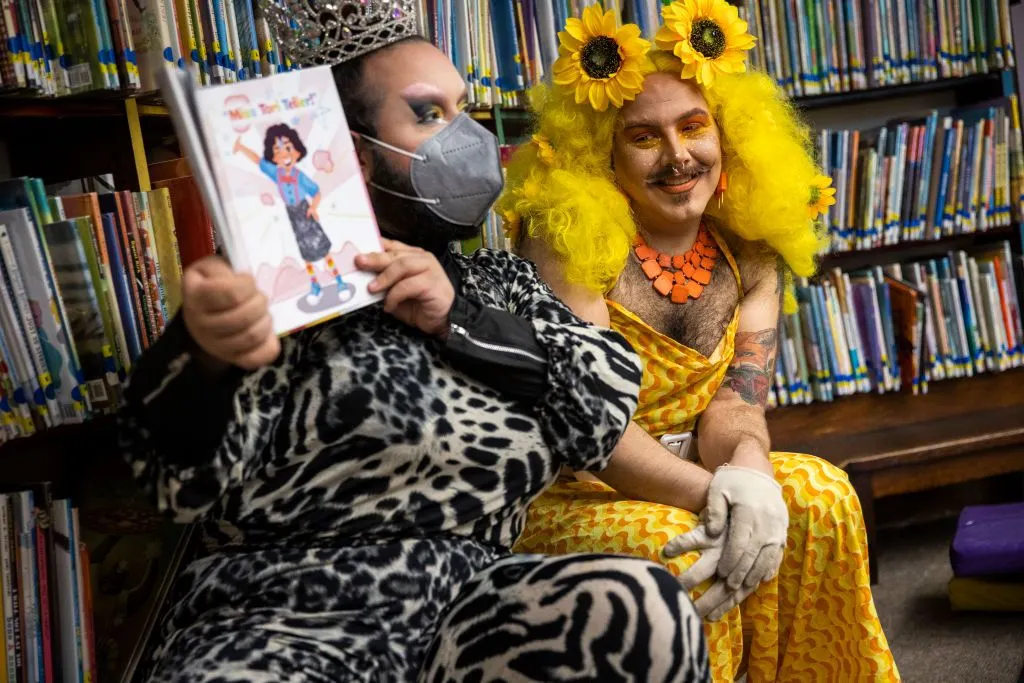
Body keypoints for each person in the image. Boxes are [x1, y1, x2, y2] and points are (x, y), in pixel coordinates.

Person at [117, 3, 711, 682]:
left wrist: (458, 317)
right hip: (286, 618)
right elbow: (176, 481)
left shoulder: (495, 285)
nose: (466, 136)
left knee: (639, 608)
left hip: (472, 612)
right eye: (428, 114)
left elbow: (601, 406)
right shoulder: (273, 296)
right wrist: (206, 352)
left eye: (462, 109)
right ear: (353, 149)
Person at [498, 1, 898, 680]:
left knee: (822, 496)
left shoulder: (751, 246)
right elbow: (601, 435)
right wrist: (720, 495)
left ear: (726, 136)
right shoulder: (566, 242)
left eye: (694, 127)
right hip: (575, 489)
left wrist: (750, 472)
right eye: (644, 137)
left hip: (696, 471)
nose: (679, 156)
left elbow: (738, 404)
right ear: (604, 153)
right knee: (681, 543)